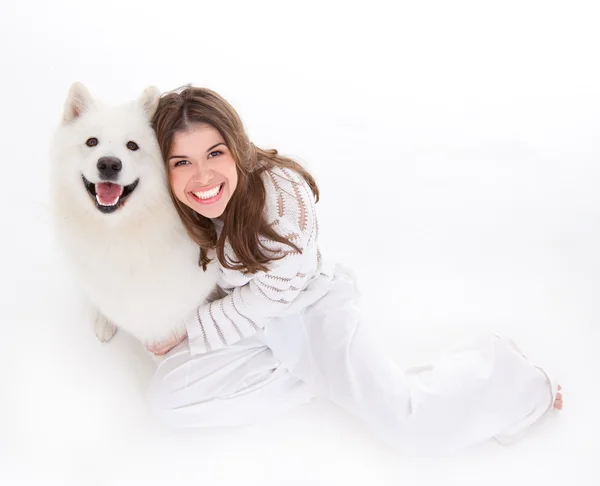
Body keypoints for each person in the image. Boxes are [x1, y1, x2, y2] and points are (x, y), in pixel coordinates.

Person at [147, 85, 562, 453]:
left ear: (237, 147)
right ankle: (315, 379)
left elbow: (273, 294)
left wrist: (189, 328)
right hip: (252, 324)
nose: (201, 175)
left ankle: (517, 381)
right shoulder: (175, 204)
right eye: (182, 162)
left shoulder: (280, 201)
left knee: (409, 424)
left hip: (307, 311)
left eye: (214, 153)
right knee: (168, 400)